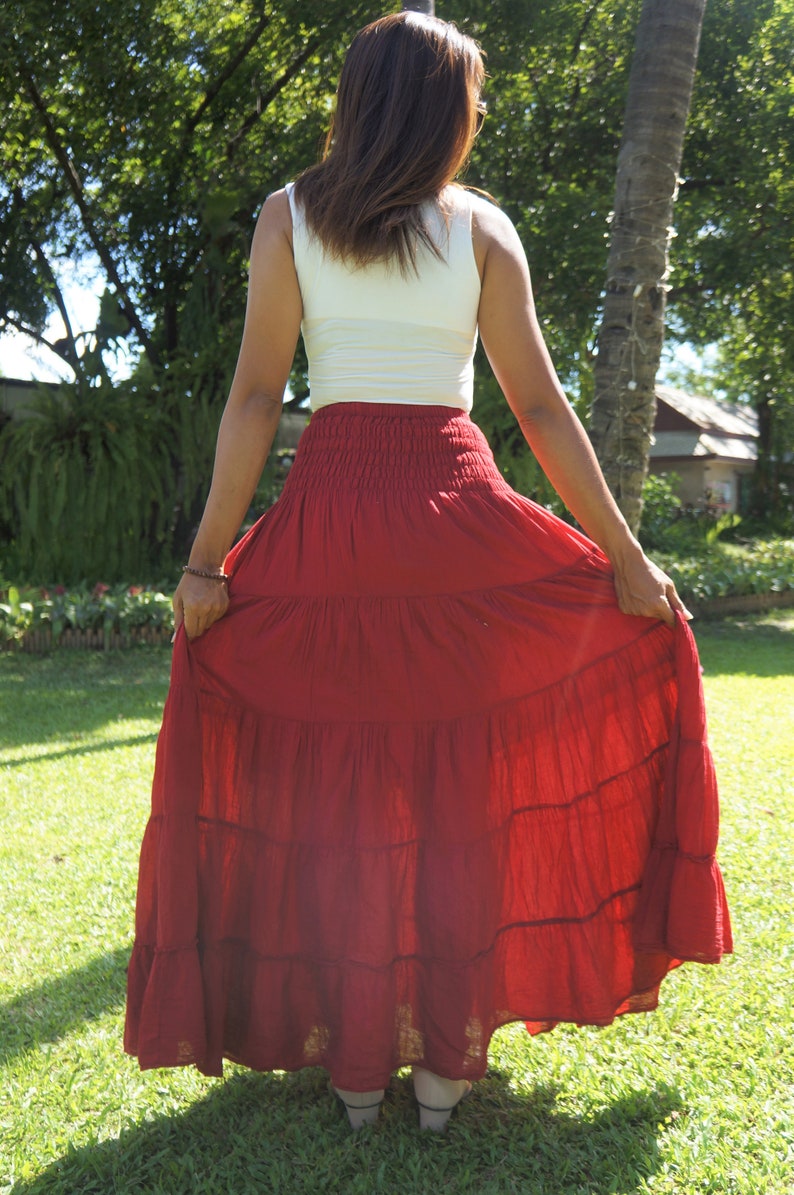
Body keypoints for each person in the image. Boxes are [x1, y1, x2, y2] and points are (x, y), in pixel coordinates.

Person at [125, 12, 732, 1132]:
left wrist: (207, 566)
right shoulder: (481, 228)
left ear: (358, 102)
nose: (481, 117)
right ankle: (443, 1071)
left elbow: (256, 397)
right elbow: (539, 410)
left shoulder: (287, 216)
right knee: (457, 798)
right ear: (442, 111)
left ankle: (357, 1071)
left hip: (330, 521)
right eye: (473, 100)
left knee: (340, 794)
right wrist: (626, 565)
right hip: (457, 524)